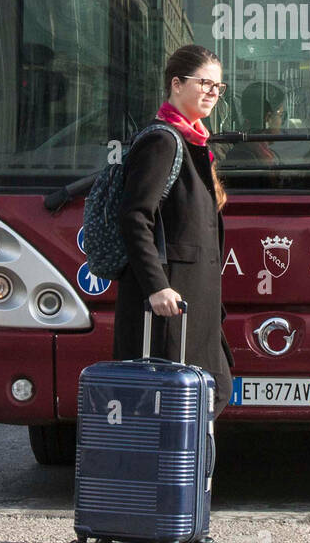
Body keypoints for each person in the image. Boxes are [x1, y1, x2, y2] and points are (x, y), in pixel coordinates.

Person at [113, 44, 234, 415]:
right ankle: (174, 474)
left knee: (207, 393)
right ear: (177, 84)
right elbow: (135, 216)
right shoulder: (162, 141)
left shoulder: (192, 140)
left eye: (219, 86)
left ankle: (191, 473)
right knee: (173, 405)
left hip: (191, 301)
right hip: (168, 304)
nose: (213, 92)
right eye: (205, 83)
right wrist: (156, 286)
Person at [223, 80, 287, 166]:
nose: (282, 121)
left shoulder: (248, 146)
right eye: (280, 114)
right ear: (268, 118)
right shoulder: (247, 157)